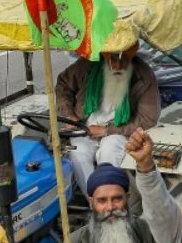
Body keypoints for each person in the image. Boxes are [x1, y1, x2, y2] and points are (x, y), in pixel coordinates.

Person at [56, 38, 161, 195]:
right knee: (78, 154)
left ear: (131, 57)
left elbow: (148, 117)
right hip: (84, 126)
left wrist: (107, 131)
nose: (118, 66)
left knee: (109, 153)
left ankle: (110, 197)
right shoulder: (88, 65)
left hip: (118, 130)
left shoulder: (143, 74)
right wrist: (71, 116)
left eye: (124, 60)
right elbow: (63, 84)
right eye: (113, 59)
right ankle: (95, 200)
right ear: (105, 56)